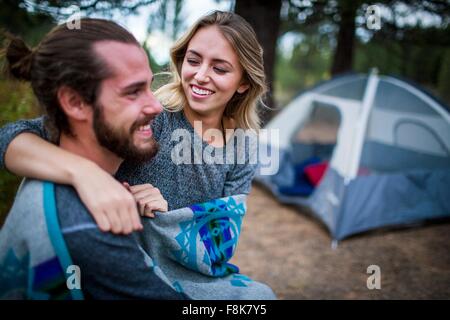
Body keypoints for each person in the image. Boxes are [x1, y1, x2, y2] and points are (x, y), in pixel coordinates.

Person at [0, 16, 276, 300]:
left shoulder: (244, 148)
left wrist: (164, 216)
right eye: (193, 61)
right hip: (131, 262)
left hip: (199, 275)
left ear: (243, 83)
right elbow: (11, 137)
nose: (201, 75)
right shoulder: (150, 119)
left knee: (260, 297)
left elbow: (220, 242)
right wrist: (83, 172)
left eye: (219, 68)